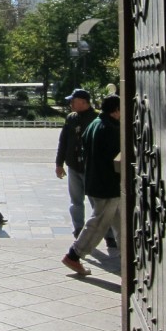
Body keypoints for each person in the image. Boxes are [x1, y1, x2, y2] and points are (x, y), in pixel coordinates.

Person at [62, 94, 121, 275]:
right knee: (98, 222)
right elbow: (116, 159)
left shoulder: (95, 124)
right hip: (108, 185)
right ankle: (74, 254)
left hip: (95, 181)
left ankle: (131, 258)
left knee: (120, 221)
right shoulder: (110, 129)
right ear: (117, 110)